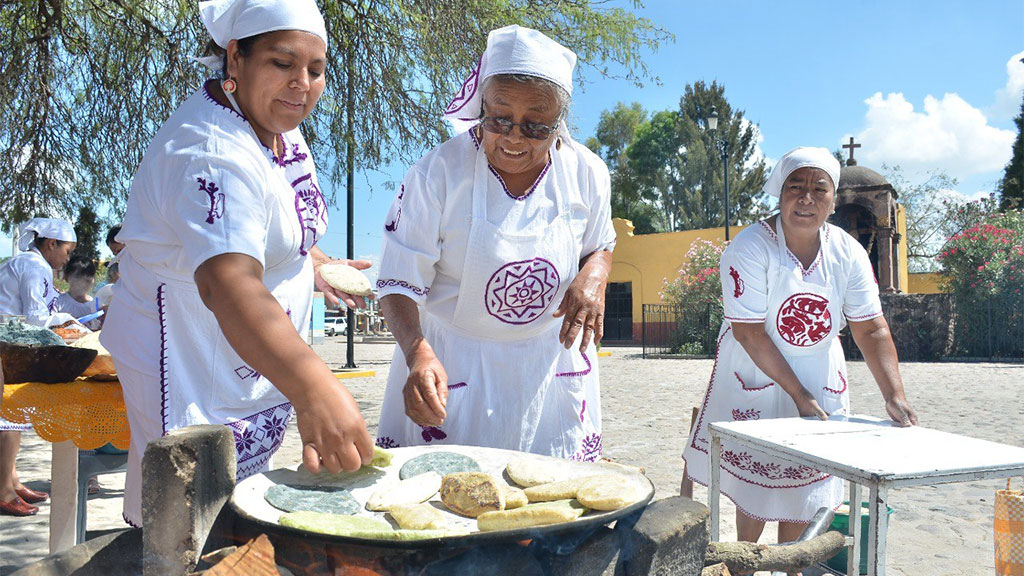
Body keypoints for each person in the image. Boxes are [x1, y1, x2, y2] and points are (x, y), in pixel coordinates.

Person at [100, 0, 374, 527]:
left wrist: (311, 261)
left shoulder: (275, 124)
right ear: (234, 58)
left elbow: (272, 216)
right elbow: (227, 283)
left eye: (315, 71)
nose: (301, 83)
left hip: (243, 355)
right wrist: (316, 385)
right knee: (185, 518)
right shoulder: (209, 151)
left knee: (240, 505)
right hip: (185, 350)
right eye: (282, 62)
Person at [375, 25, 616, 462]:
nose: (514, 136)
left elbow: (600, 243)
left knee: (550, 507)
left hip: (549, 366)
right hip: (454, 361)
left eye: (535, 125)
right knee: (449, 502)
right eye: (499, 118)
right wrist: (417, 351)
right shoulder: (439, 173)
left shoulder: (588, 172)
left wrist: (595, 273)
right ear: (481, 106)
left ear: (559, 122)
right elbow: (396, 279)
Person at [681, 147, 918, 550]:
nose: (806, 198)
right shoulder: (750, 247)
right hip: (755, 369)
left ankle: (789, 562)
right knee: (757, 484)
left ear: (832, 200)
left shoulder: (847, 252)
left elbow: (871, 329)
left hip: (818, 373)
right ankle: (746, 562)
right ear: (780, 193)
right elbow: (751, 332)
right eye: (796, 187)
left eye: (818, 189)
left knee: (803, 486)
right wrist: (798, 396)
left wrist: (895, 396)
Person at [0, 217, 77, 516]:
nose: (67, 258)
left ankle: (11, 480)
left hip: (8, 340)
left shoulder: (30, 264)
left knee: (11, 413)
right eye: (67, 251)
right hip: (5, 339)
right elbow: (35, 317)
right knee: (8, 414)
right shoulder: (33, 266)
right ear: (51, 243)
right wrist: (66, 324)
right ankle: (4, 491)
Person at [56, 256, 102, 330]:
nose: (83, 283)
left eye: (88, 278)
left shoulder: (96, 306)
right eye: (78, 276)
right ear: (67, 277)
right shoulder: (58, 303)